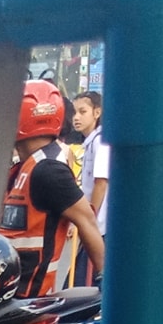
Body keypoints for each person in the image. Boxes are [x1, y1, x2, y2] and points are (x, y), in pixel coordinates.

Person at [0, 80, 104, 295]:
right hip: (3, 290)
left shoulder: (48, 171)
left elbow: (87, 221)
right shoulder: (23, 167)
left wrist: (108, 282)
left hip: (26, 298)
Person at [71, 89, 108, 286]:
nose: (76, 117)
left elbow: (100, 182)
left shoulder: (101, 141)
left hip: (99, 226)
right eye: (74, 112)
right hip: (94, 224)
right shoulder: (91, 141)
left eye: (82, 112)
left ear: (97, 112)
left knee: (86, 282)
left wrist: (89, 217)